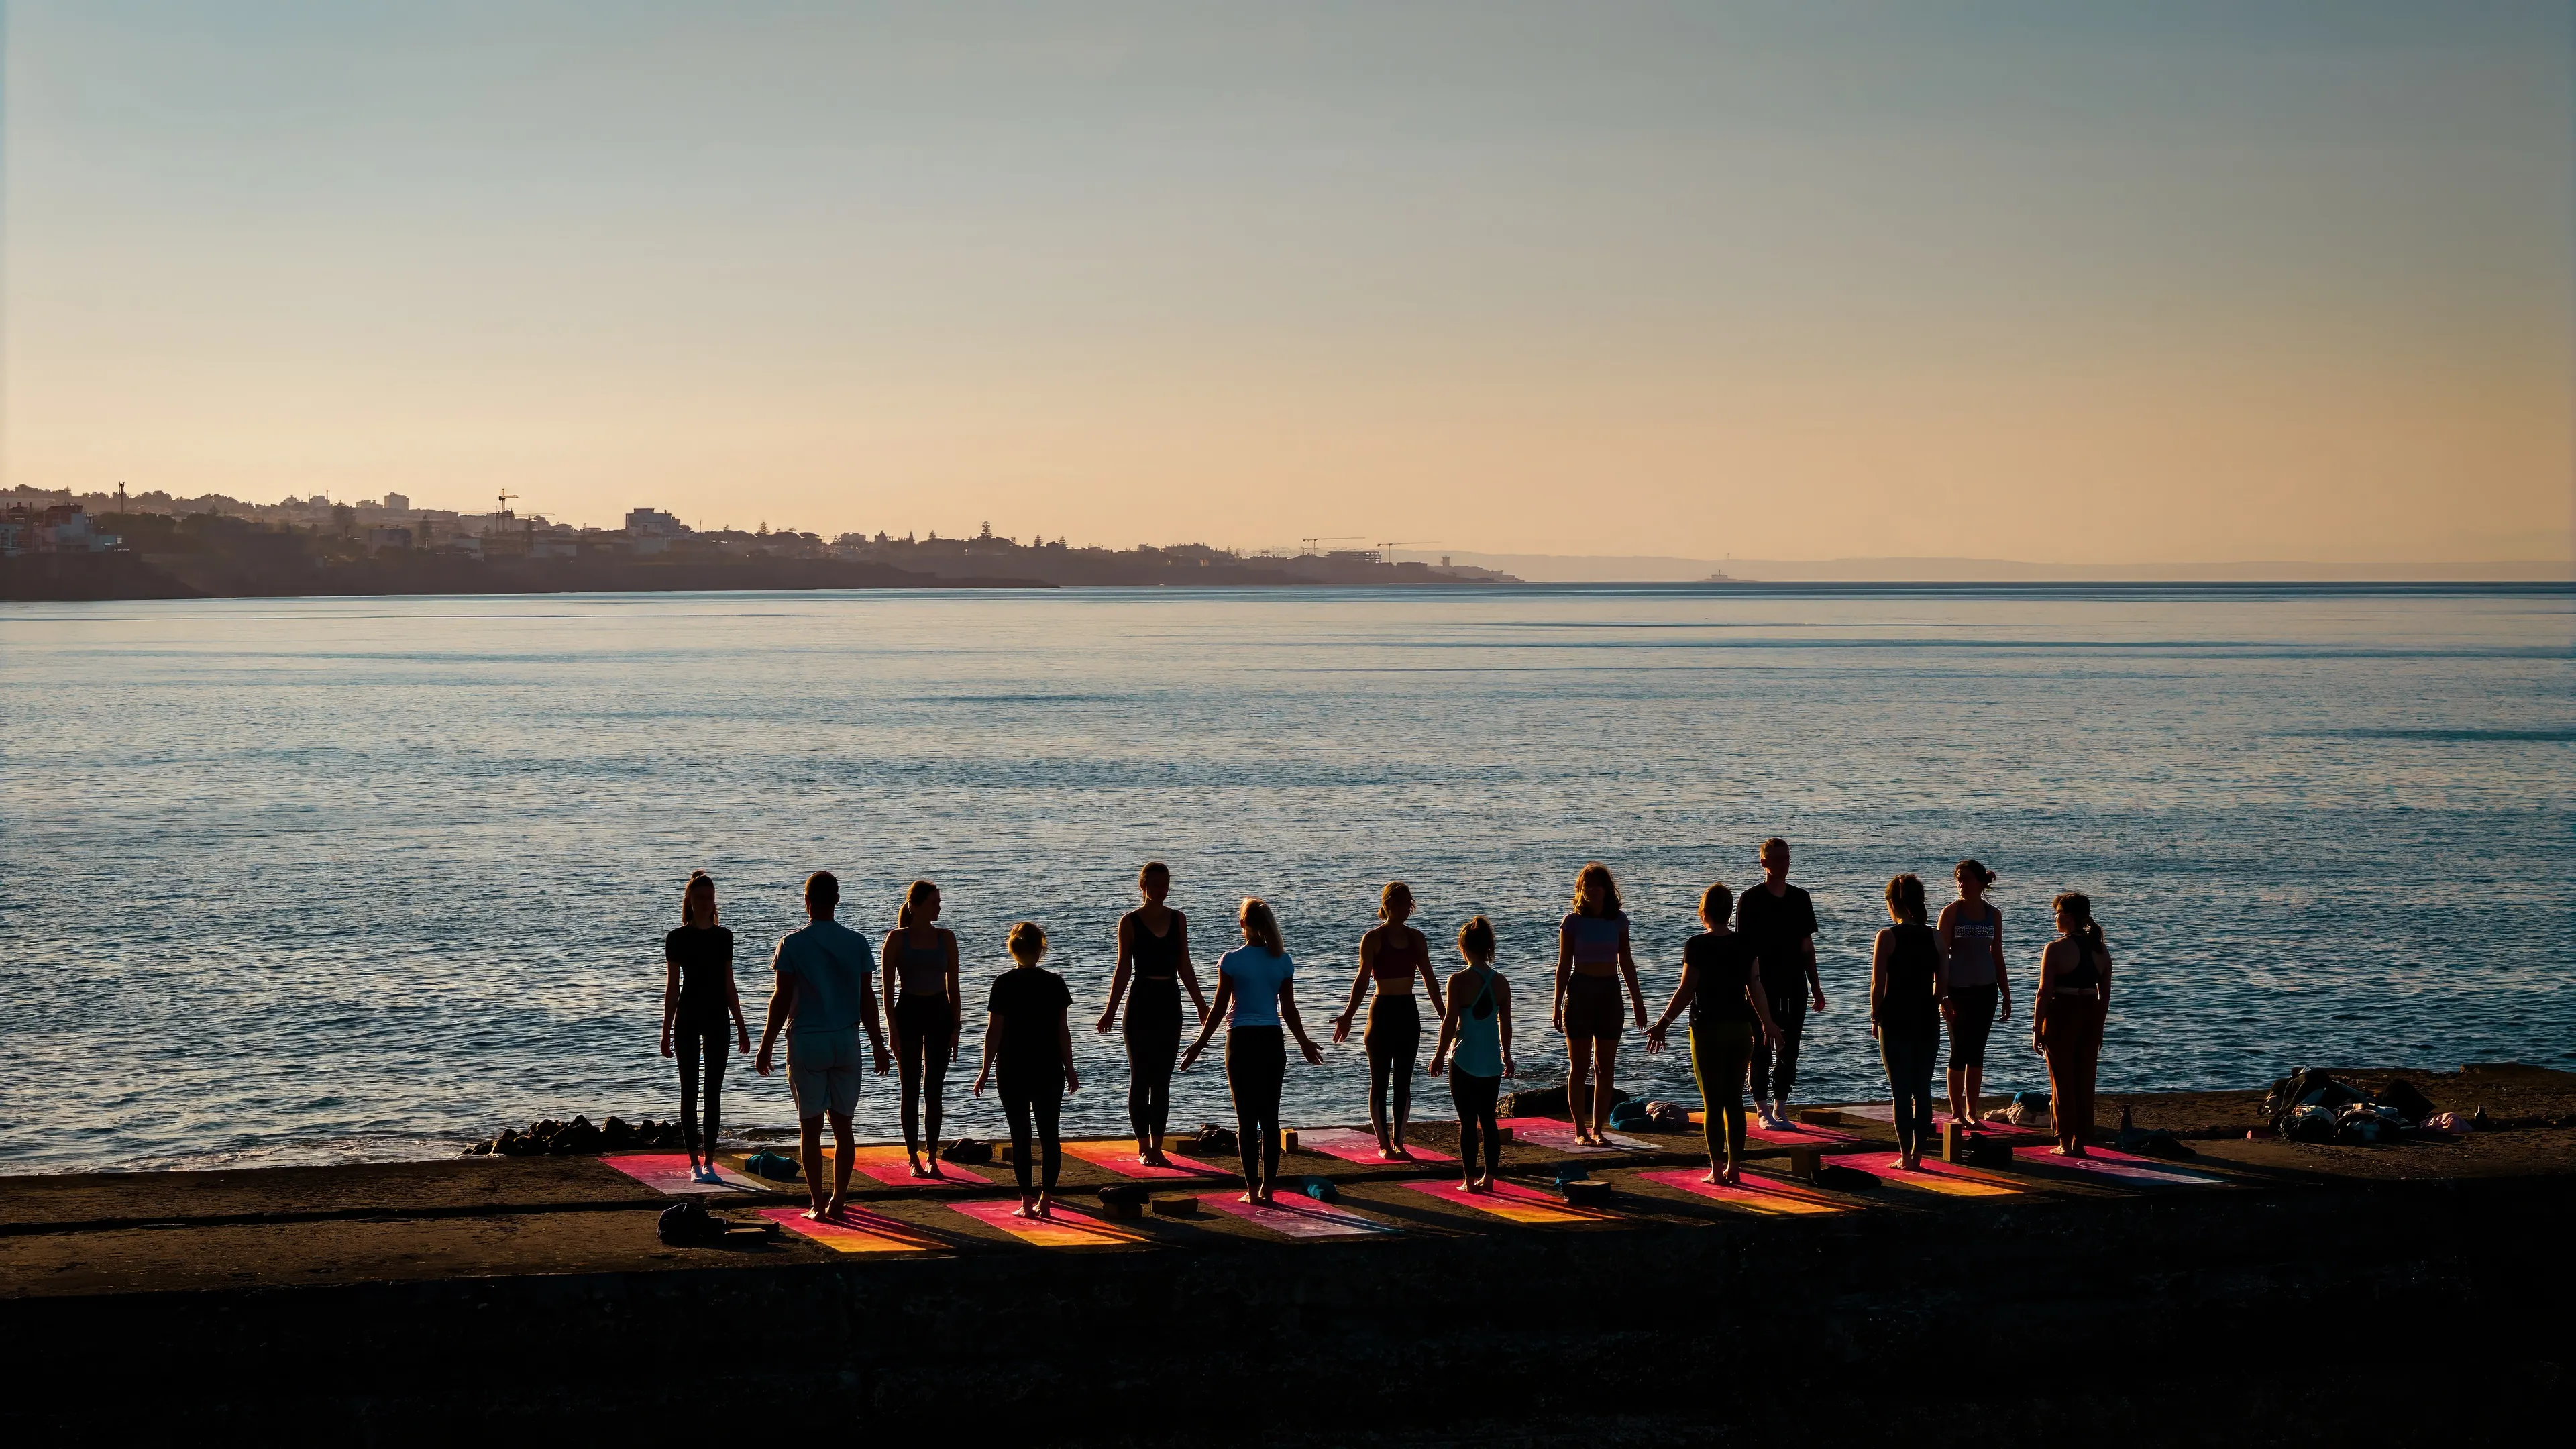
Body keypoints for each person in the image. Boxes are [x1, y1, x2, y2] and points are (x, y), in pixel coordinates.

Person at [755, 872, 893, 1220]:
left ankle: (817, 1204)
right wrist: (878, 1044)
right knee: (844, 1128)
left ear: (807, 902)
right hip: (846, 1040)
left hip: (807, 1041)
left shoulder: (791, 944)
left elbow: (781, 999)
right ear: (837, 900)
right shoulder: (857, 943)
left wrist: (767, 1043)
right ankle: (839, 1200)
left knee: (811, 1129)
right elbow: (867, 999)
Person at [1179, 898, 1325, 1205]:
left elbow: (1219, 1008)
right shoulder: (1282, 960)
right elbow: (1289, 1010)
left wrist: (1199, 1044)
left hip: (1241, 1041)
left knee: (1246, 1121)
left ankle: (1251, 1190)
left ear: (1242, 923)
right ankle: (1267, 1189)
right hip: (1272, 1040)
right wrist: (1304, 1042)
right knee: (1270, 1119)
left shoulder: (1232, 960)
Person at [1645, 882, 1780, 1185]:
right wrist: (1768, 1023)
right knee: (1734, 1101)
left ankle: (1717, 1171)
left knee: (1713, 1104)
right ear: (1729, 912)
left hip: (1706, 1029)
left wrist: (1664, 1022)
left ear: (1704, 912)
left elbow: (1686, 989)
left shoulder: (1697, 945)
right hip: (1740, 1029)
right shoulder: (1745, 944)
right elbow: (1755, 988)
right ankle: (1735, 1168)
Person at [1095, 861, 1210, 1167]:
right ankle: (1144, 1146)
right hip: (1141, 1001)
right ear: (1143, 886)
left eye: (1165, 884)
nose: (1161, 890)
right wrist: (1110, 1010)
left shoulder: (1178, 919)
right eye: (1155, 885)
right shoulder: (1130, 921)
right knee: (1140, 1077)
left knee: (1162, 1080)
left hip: (1170, 1001)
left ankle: (1157, 1146)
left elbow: (1185, 965)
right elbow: (1123, 968)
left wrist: (1201, 1005)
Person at [1331, 881, 1448, 1159]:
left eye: (1409, 902)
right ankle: (1384, 1145)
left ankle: (1399, 1143)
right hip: (1381, 1012)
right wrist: (1348, 1016)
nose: (1406, 908)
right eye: (1401, 903)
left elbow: (1430, 979)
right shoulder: (1373, 939)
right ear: (1387, 905)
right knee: (1380, 1080)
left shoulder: (1417, 938)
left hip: (1408, 1011)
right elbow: (1362, 981)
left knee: (1404, 1081)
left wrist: (1445, 1016)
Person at [973, 922, 1079, 1218]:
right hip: (1049, 1066)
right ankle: (1047, 1199)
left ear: (1013, 950)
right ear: (1041, 949)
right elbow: (1062, 1030)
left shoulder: (1003, 983)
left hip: (1012, 1066)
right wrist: (1070, 1068)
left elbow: (994, 1031)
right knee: (1049, 1135)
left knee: (1020, 1135)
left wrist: (984, 1070)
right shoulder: (1055, 983)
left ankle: (1027, 1202)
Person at [661, 871, 751, 1184]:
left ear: (714, 901)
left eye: (710, 897)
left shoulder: (724, 937)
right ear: (690, 901)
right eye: (700, 897)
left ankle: (710, 1160)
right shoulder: (677, 938)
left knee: (713, 1091)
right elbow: (672, 987)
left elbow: (729, 984)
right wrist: (666, 1030)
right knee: (689, 1090)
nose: (705, 902)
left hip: (717, 1017)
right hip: (687, 1016)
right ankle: (693, 1162)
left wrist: (741, 1025)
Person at [1553, 862, 1648, 1146]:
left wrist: (1637, 1000)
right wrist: (1556, 1004)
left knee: (1605, 1066)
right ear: (1581, 890)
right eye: (1589, 885)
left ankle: (1598, 1129)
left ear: (1607, 889)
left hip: (1610, 992)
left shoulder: (1618, 920)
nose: (1594, 890)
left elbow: (1626, 961)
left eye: (1599, 885)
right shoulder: (1572, 922)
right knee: (1580, 1066)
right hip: (1580, 992)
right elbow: (1564, 965)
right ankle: (1579, 1130)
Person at [1739, 838, 1826, 1130]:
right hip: (1761, 984)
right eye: (1777, 858)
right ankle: (1761, 1107)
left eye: (1787, 858)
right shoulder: (1751, 899)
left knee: (1790, 1048)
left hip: (1794, 983)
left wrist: (1816, 986)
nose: (1783, 863)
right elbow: (1744, 950)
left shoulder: (1800, 898)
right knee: (1762, 1045)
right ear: (1764, 862)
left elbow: (1807, 947)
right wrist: (1745, 988)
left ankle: (1780, 1106)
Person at [880, 880, 962, 1179]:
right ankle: (913, 1156)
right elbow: (887, 992)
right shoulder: (896, 939)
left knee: (934, 1089)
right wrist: (892, 1030)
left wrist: (956, 1026)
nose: (938, 907)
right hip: (909, 1012)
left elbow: (954, 987)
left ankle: (932, 1156)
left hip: (939, 1011)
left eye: (939, 902)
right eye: (933, 903)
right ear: (915, 906)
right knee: (910, 1087)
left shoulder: (946, 937)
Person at [1428, 915, 1515, 1192]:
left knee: (1467, 1122)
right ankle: (1489, 1178)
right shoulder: (1501, 982)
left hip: (1464, 1059)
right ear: (1489, 947)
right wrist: (1507, 1056)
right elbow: (1506, 1025)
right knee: (1488, 1120)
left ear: (1463, 947)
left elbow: (1449, 1023)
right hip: (1491, 1061)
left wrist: (1439, 1055)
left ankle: (1468, 1180)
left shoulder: (1458, 980)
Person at [1870, 874, 1948, 1170]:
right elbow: (1942, 986)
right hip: (1926, 1017)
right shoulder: (1936, 937)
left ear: (1892, 903)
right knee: (1922, 1088)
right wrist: (1933, 1003)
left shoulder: (1887, 937)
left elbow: (1878, 986)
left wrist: (1875, 1016)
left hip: (1895, 1018)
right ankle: (1918, 1154)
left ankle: (1905, 1156)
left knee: (1901, 1091)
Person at [2033, 892, 2113, 1156]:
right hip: (2090, 1013)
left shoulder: (2055, 948)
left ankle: (2065, 1142)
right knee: (2085, 1080)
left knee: (2062, 1081)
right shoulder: (2101, 950)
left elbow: (2044, 992)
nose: (2055, 918)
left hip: (2062, 1014)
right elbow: (2105, 995)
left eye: (2057, 913)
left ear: (2067, 917)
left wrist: (2037, 1028)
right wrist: (2099, 1026)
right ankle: (2081, 1140)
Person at [1937, 859, 2012, 1124]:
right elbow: (1940, 957)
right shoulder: (1951, 913)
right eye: (1959, 879)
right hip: (1957, 991)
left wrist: (2006, 993)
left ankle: (1972, 1111)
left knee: (1977, 1051)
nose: (1962, 884)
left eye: (1967, 878)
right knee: (1959, 1050)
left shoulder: (1994, 914)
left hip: (1986, 990)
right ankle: (1957, 1111)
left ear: (1980, 883)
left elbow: (1997, 954)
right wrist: (1942, 995)